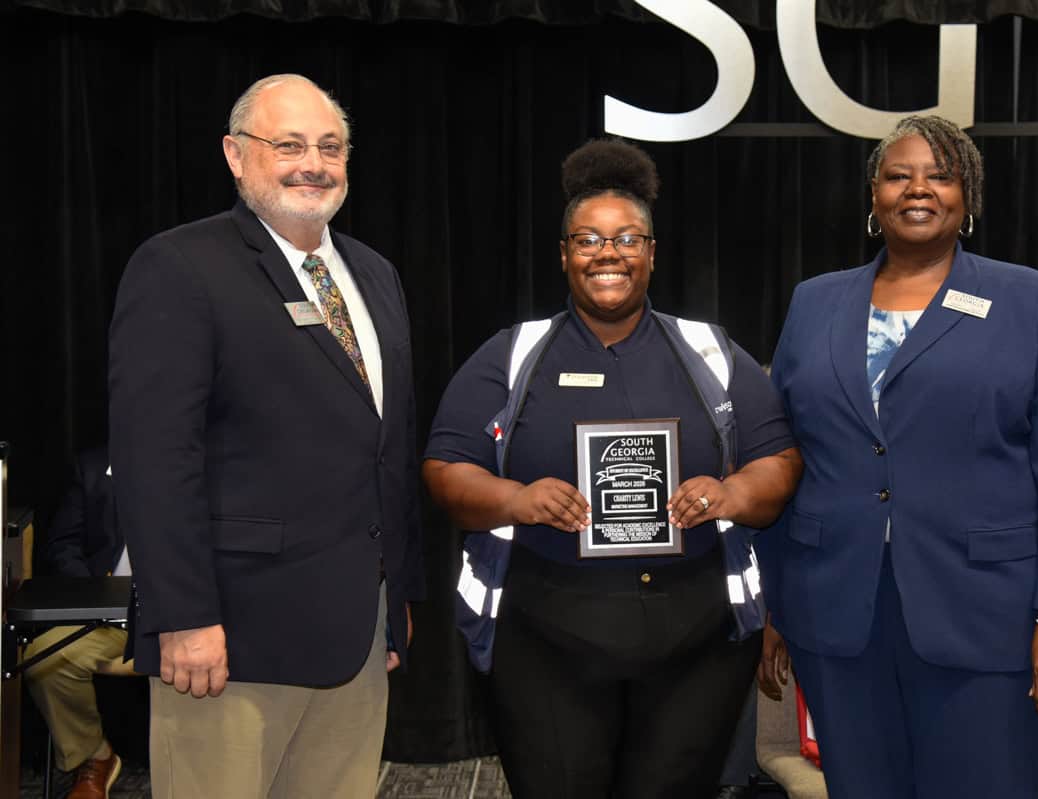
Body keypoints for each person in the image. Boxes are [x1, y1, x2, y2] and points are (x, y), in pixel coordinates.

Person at [423, 138, 802, 799]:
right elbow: (445, 469)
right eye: (588, 239)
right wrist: (515, 499)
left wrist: (731, 490)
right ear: (565, 255)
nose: (608, 253)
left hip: (697, 640)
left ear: (652, 253)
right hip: (545, 635)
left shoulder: (711, 351)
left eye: (627, 237)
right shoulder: (512, 355)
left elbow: (780, 461)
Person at [760, 114, 1038, 797]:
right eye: (898, 175)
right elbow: (783, 456)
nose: (917, 189)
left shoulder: (1028, 300)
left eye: (940, 175)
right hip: (838, 612)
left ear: (968, 197)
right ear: (874, 196)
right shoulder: (815, 303)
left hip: (987, 617)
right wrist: (775, 603)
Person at [108, 74, 424, 799]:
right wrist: (183, 616)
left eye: (330, 146)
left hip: (357, 633)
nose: (312, 162)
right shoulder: (181, 267)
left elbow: (387, 447)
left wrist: (396, 591)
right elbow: (157, 459)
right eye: (287, 144)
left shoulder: (374, 275)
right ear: (234, 153)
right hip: (229, 641)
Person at [24, 446, 129, 799]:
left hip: (187, 619)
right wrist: (96, 593)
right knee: (45, 658)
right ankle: (94, 756)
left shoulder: (211, 462)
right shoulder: (94, 468)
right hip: (112, 617)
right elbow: (62, 545)